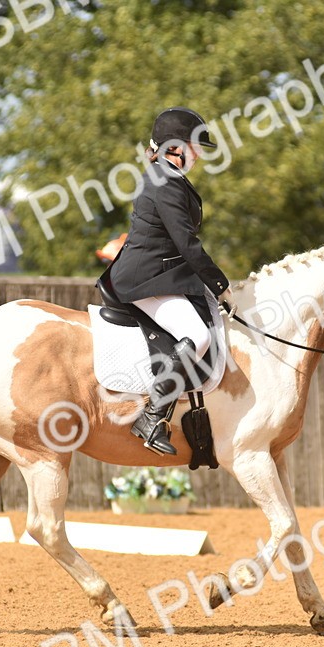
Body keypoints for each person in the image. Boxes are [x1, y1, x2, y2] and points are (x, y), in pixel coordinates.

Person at [98, 107, 231, 455]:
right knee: (198, 337)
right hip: (146, 280)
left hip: (163, 274)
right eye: (195, 146)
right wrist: (221, 285)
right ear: (176, 147)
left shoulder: (167, 176)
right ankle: (152, 416)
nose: (199, 154)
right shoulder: (165, 181)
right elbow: (187, 243)